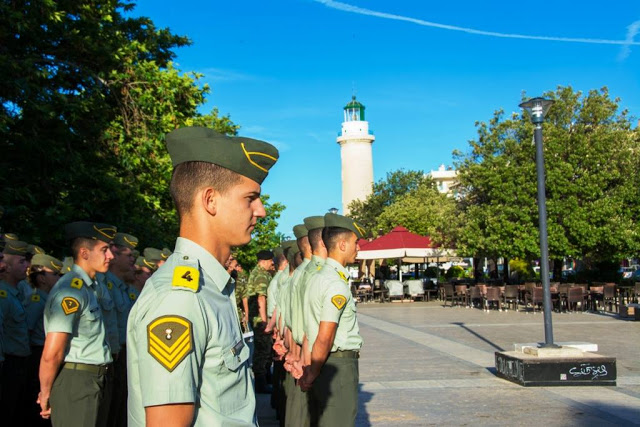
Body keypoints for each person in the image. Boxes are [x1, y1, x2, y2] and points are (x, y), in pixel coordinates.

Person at [126, 126, 279, 426]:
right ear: (210, 200)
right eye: (250, 198)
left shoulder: (209, 287)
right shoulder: (180, 297)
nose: (260, 211)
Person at [39, 221, 116, 426]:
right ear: (84, 253)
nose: (111, 256)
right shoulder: (70, 291)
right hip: (77, 381)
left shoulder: (92, 287)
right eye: (104, 250)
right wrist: (45, 392)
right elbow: (52, 352)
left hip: (98, 379)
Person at [300, 213, 365, 427]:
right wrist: (313, 373)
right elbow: (325, 336)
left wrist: (310, 368)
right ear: (343, 244)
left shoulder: (316, 278)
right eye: (356, 243)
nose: (358, 248)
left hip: (319, 362)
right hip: (336, 365)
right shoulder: (335, 284)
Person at [24, 253, 63, 426]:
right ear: (41, 278)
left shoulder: (49, 298)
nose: (58, 278)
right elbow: (28, 329)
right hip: (37, 353)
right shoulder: (37, 299)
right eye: (54, 274)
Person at [0, 240, 32, 418]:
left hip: (20, 361)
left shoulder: (18, 291)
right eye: (21, 262)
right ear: (8, 267)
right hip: (9, 363)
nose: (27, 265)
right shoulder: (3, 294)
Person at [247, 249, 274, 393]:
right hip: (259, 318)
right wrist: (264, 321)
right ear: (264, 261)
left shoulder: (257, 273)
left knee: (263, 349)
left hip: (255, 317)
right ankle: (261, 383)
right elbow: (261, 298)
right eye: (270, 261)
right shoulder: (262, 275)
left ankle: (265, 377)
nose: (272, 263)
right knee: (262, 350)